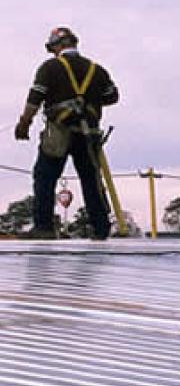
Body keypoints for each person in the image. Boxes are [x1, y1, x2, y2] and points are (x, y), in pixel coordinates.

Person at [14, 27, 119, 239]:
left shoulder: (50, 67)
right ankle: (101, 228)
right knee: (91, 179)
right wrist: (90, 101)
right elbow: (112, 96)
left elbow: (35, 97)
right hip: (88, 133)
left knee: (45, 177)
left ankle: (43, 227)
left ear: (58, 46)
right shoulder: (96, 70)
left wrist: (24, 123)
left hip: (59, 132)